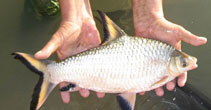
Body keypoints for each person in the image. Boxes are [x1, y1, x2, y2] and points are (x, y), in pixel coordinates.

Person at [34, 0, 207, 103]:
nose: (188, 65)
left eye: (184, 63)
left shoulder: (165, 64)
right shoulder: (165, 69)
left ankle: (54, 73)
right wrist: (74, 12)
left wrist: (148, 11)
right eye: (183, 63)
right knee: (48, 8)